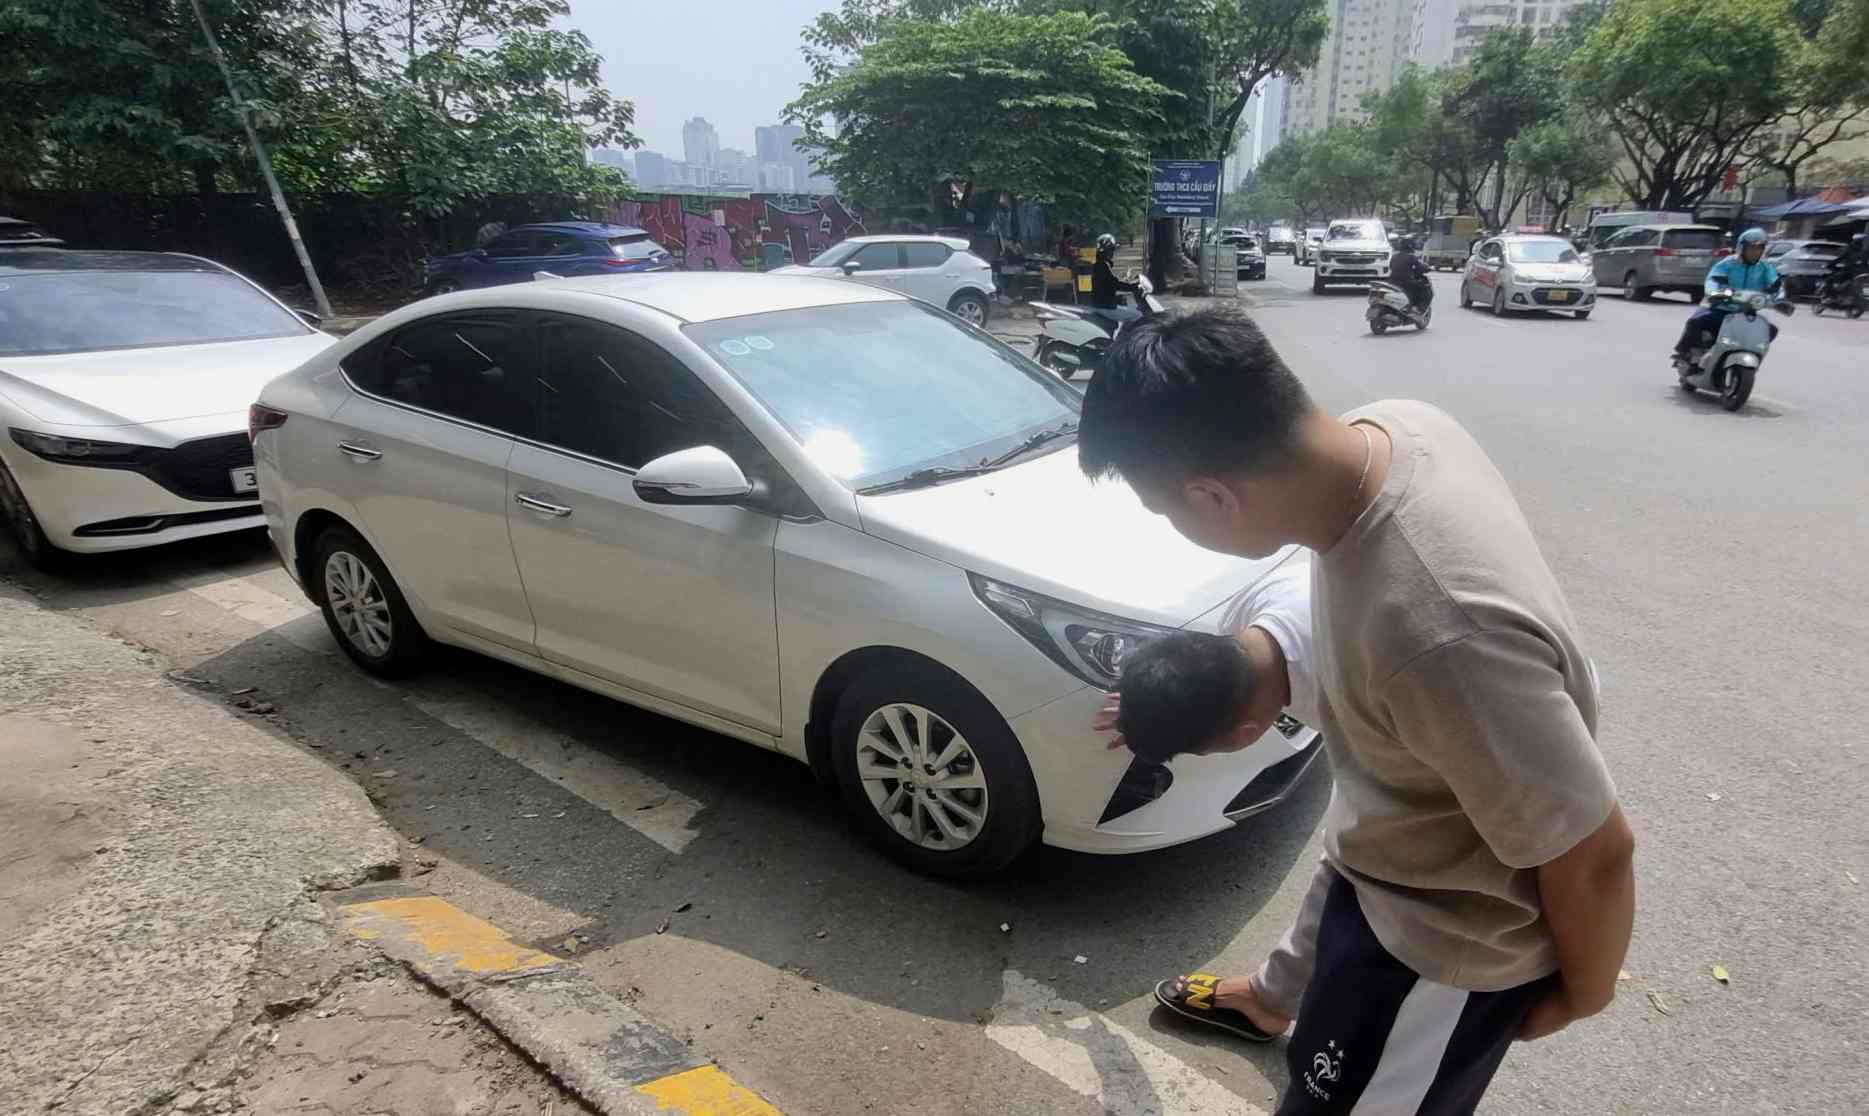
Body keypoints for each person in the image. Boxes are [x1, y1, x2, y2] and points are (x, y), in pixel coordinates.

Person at [1077, 307, 1635, 1115]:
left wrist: (1584, 994)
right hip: (1384, 883)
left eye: (1164, 510)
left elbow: (1595, 853)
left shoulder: (1438, 634)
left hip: (1441, 954)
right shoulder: (1399, 428)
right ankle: (1269, 1005)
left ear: (1211, 496)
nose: (1172, 526)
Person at [1094, 557, 1327, 1045]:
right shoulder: (1253, 617)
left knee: (1360, 875)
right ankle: (1274, 997)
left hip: (1457, 770)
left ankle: (1287, 1011)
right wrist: (1146, 709)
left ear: (1246, 736)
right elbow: (1191, 677)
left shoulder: (1353, 695)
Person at [1675, 227, 1782, 360]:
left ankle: (1753, 354)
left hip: (1746, 312)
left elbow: (1776, 285)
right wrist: (1716, 293)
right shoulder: (1727, 264)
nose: (1755, 252)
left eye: (1759, 248)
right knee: (1696, 322)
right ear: (1741, 248)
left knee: (1770, 330)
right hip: (1720, 308)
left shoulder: (1765, 268)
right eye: (1751, 248)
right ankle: (1686, 353)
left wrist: (1781, 300)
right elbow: (1713, 281)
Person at [1090, 233, 1145, 325]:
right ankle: (1128, 339)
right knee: (1138, 316)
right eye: (1111, 250)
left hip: (1102, 304)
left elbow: (1109, 283)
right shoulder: (1102, 266)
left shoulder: (1100, 265)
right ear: (1106, 251)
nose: (1112, 253)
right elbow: (1114, 284)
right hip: (1105, 307)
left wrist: (1128, 284)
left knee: (1126, 307)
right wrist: (1134, 286)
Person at [1387, 237, 1433, 312]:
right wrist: (1427, 268)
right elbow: (1421, 267)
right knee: (1424, 288)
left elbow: (1391, 267)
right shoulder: (1411, 257)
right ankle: (1419, 308)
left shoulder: (1394, 257)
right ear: (1411, 247)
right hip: (1406, 282)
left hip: (1392, 282)